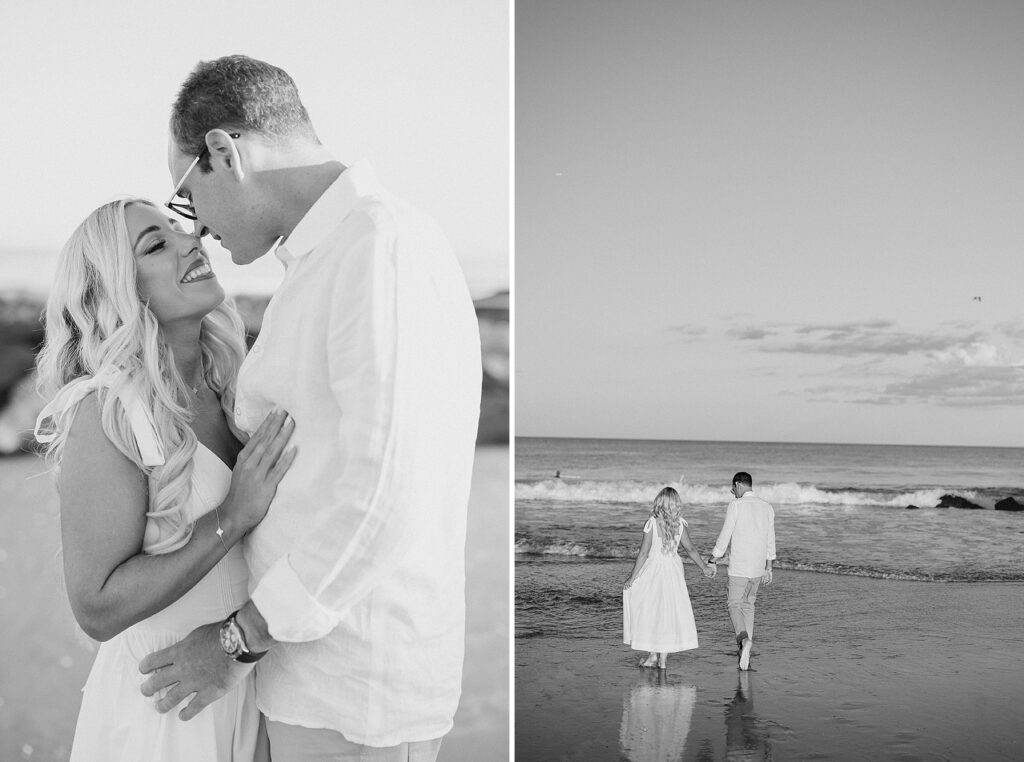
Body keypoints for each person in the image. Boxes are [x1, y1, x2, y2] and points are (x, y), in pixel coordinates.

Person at [139, 55, 482, 762]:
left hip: (353, 698)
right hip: (310, 684)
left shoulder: (377, 251)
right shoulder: (328, 259)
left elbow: (387, 494)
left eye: (185, 197)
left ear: (224, 152)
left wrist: (239, 638)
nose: (195, 228)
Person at [33, 198, 296, 760]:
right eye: (156, 245)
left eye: (178, 231)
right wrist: (231, 517)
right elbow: (96, 607)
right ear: (116, 293)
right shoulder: (107, 412)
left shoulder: (238, 388)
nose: (191, 241)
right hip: (168, 710)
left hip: (253, 684)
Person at [623, 487, 714, 669]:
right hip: (673, 569)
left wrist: (632, 578)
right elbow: (691, 549)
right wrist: (704, 567)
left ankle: (652, 656)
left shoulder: (652, 522)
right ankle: (662, 660)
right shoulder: (680, 523)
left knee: (651, 610)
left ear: (659, 502)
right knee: (668, 612)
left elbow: (643, 553)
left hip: (653, 570)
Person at [706, 472, 776, 671]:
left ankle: (744, 641)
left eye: (732, 488)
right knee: (749, 605)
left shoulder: (735, 505)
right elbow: (770, 538)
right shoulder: (767, 507)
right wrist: (769, 567)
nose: (732, 492)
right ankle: (745, 651)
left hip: (739, 567)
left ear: (738, 485)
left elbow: (725, 534)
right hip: (757, 569)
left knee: (733, 604)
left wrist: (713, 558)